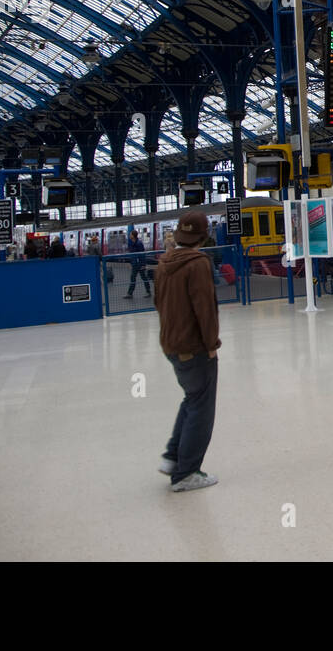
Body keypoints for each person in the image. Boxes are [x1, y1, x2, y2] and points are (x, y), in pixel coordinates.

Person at [154, 209, 221, 492]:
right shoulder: (198, 264)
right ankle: (186, 473)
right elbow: (205, 309)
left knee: (192, 399)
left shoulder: (163, 262)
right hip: (194, 348)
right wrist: (211, 345)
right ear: (203, 237)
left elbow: (158, 303)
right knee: (202, 409)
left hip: (171, 344)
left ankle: (172, 457)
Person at [124, 230, 153, 298]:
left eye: (130, 234)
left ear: (133, 236)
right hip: (134, 263)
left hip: (140, 264)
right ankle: (130, 293)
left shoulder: (139, 243)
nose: (129, 235)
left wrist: (143, 264)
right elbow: (131, 254)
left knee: (143, 278)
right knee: (133, 278)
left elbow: (142, 254)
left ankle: (148, 292)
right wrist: (130, 263)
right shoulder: (130, 243)